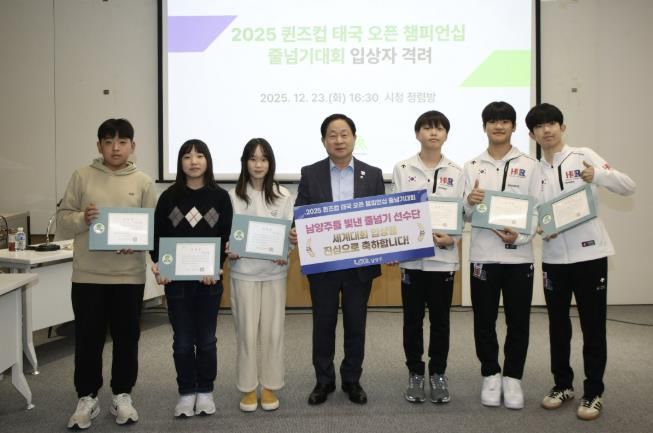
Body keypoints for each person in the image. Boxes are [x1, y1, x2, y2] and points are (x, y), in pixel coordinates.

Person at [525, 103, 635, 420]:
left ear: (563, 127)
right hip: (554, 259)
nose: (547, 130)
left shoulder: (583, 155)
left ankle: (593, 392)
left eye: (552, 123)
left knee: (593, 326)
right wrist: (538, 226)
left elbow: (628, 186)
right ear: (532, 135)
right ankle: (562, 385)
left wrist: (598, 175)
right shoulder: (534, 171)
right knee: (558, 326)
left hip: (590, 256)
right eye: (539, 126)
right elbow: (533, 211)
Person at [59, 118, 157, 429]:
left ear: (132, 146)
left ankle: (122, 395)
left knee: (127, 338)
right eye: (109, 142)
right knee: (88, 339)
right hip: (88, 275)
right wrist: (83, 218)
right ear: (99, 145)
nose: (116, 148)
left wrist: (137, 242)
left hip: (128, 276)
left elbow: (152, 229)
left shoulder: (143, 182)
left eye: (122, 142)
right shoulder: (82, 176)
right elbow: (62, 220)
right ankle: (87, 397)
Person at [291, 113, 385, 405]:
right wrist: (296, 229)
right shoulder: (311, 173)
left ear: (354, 138)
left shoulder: (373, 174)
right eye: (332, 135)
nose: (339, 140)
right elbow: (301, 210)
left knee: (356, 324)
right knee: (324, 324)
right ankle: (324, 380)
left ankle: (352, 379)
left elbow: (381, 218)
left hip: (360, 265)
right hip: (324, 266)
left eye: (344, 134)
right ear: (324, 141)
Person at [463, 101, 540, 410]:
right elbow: (463, 215)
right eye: (493, 121)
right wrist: (469, 201)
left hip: (519, 256)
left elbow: (536, 209)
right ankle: (491, 374)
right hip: (483, 255)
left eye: (505, 121)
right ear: (484, 127)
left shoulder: (530, 164)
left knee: (518, 320)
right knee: (484, 320)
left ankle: (513, 377)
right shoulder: (471, 165)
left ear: (513, 126)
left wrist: (520, 236)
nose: (498, 126)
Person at [150, 139, 233, 418]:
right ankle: (186, 392)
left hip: (209, 282)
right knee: (183, 341)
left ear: (208, 161)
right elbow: (157, 236)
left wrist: (216, 266)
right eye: (187, 156)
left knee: (207, 340)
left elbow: (225, 237)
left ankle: (205, 390)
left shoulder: (220, 198)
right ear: (180, 162)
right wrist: (160, 265)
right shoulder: (168, 197)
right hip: (176, 284)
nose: (193, 161)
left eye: (199, 156)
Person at [391, 111, 464, 404]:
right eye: (427, 128)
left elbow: (463, 213)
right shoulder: (402, 168)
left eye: (439, 128)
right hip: (412, 260)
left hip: (443, 259)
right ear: (417, 133)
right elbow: (395, 212)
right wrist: (395, 246)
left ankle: (438, 373)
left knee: (441, 321)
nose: (433, 133)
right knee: (412, 320)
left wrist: (453, 239)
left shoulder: (457, 171)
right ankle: (415, 373)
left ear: (446, 134)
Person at [227, 138, 294, 412]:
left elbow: (289, 233)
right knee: (246, 332)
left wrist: (286, 249)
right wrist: (229, 247)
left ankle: (269, 386)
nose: (258, 164)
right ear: (245, 162)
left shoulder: (283, 195)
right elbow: (228, 234)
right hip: (243, 273)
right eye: (253, 159)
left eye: (264, 159)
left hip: (274, 273)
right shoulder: (232, 196)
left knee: (273, 332)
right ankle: (247, 387)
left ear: (270, 163)